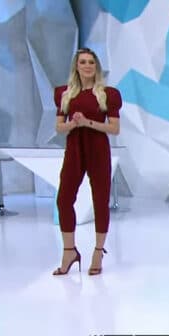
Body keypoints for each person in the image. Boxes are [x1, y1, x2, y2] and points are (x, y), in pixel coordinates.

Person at [52, 47, 122, 276]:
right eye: (83, 62)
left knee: (100, 200)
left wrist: (88, 123)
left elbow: (114, 128)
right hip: (74, 149)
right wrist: (73, 124)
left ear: (96, 66)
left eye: (91, 62)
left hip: (98, 149)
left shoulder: (107, 94)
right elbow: (59, 127)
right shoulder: (65, 94)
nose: (87, 66)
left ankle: (98, 252)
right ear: (76, 66)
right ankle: (69, 251)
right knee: (64, 199)